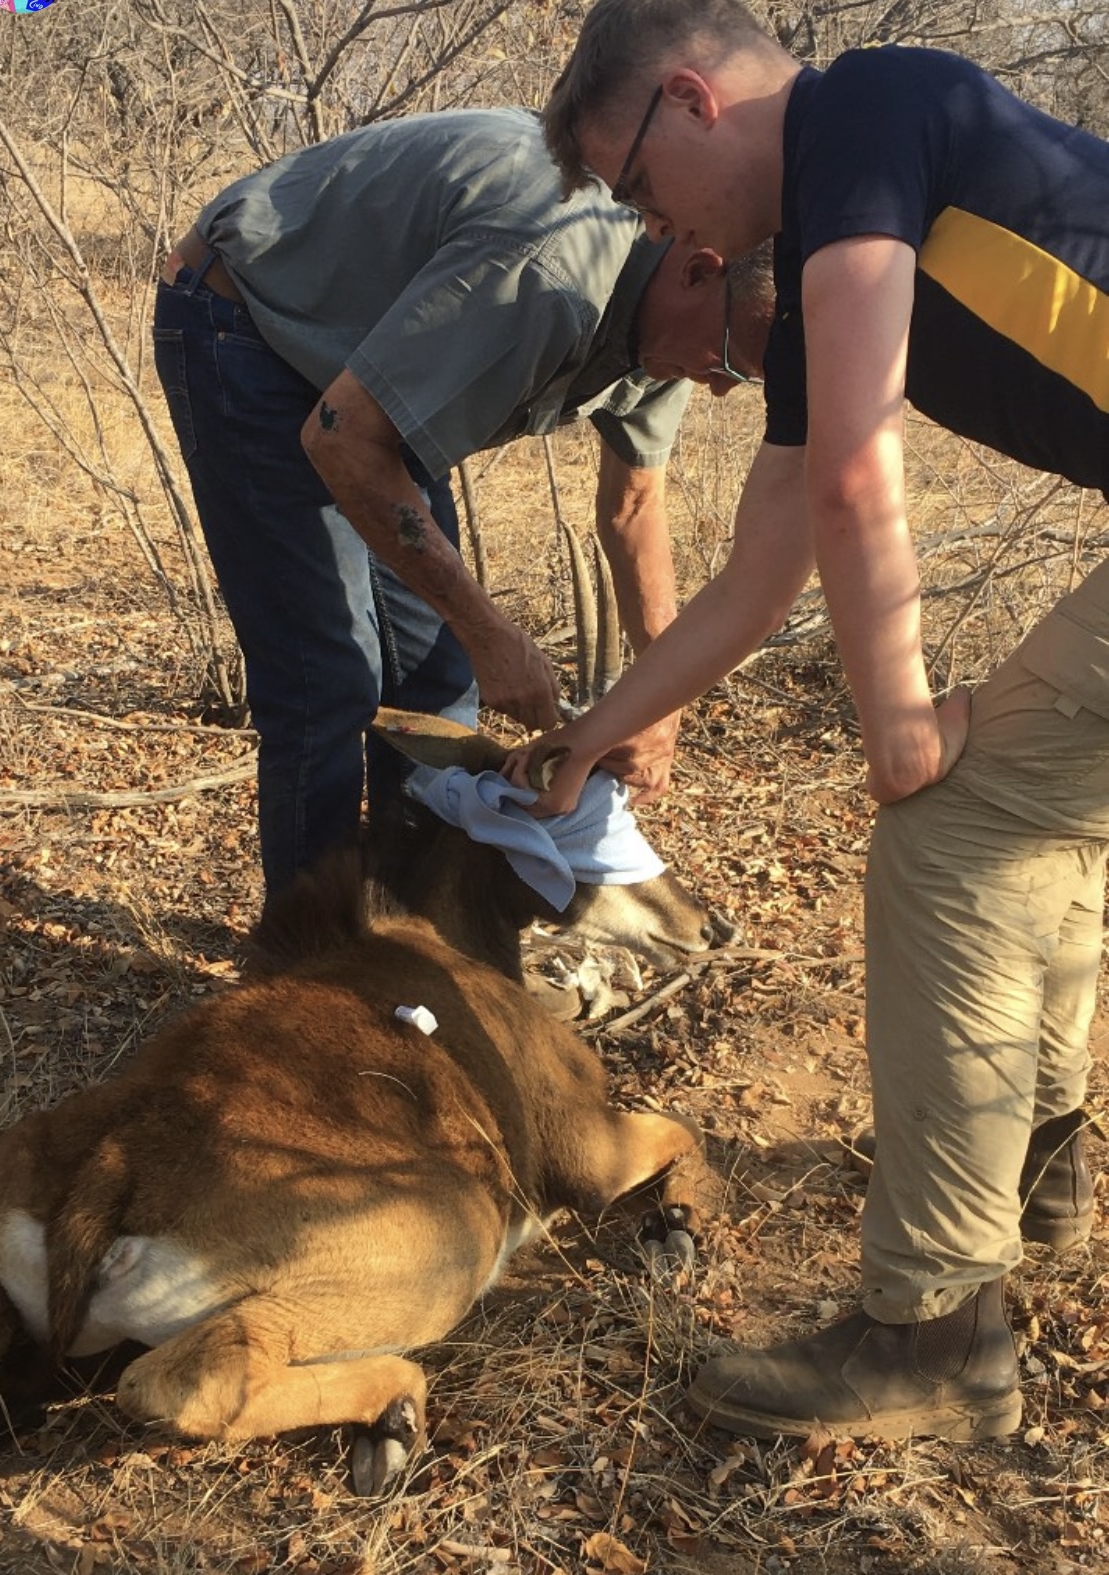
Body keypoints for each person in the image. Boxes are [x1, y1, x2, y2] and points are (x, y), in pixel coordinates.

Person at [513, 0, 1109, 1442]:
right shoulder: (839, 220)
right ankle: (1035, 1164)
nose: (661, 234)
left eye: (641, 190)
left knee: (955, 824)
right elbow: (756, 567)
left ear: (689, 100)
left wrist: (896, 717)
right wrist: (596, 728)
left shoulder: (866, 113)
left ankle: (934, 1329)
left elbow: (853, 476)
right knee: (1027, 813)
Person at [154, 105, 770, 901]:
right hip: (249, 320)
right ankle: (311, 967)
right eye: (731, 360)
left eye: (744, 379)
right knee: (329, 678)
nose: (720, 386)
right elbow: (342, 439)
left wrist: (659, 703)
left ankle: (409, 937)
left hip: (369, 382)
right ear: (697, 268)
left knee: (439, 682)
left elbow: (632, 508)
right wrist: (490, 629)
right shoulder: (550, 277)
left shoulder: (677, 339)